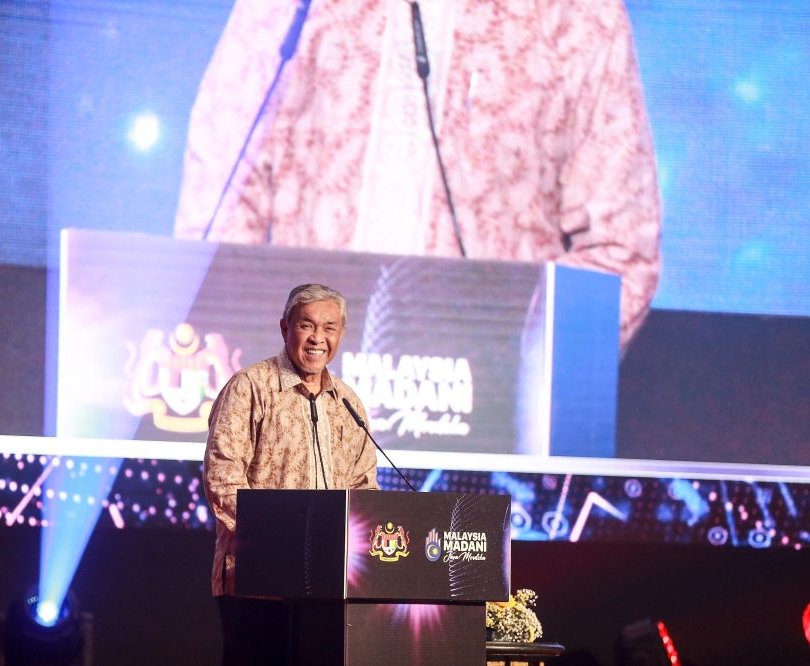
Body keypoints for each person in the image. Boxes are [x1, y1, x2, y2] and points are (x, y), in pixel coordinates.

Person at [174, 0, 662, 348]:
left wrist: (508, 362)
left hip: (480, 438)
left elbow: (621, 255)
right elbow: (218, 212)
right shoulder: (292, 9)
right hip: (302, 425)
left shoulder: (575, 13)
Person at [203, 283, 378, 666]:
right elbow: (222, 477)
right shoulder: (251, 387)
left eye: (329, 327)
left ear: (341, 334)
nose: (318, 338)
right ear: (285, 328)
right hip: (256, 583)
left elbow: (365, 491)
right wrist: (281, 542)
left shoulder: (349, 403)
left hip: (330, 587)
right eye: (307, 326)